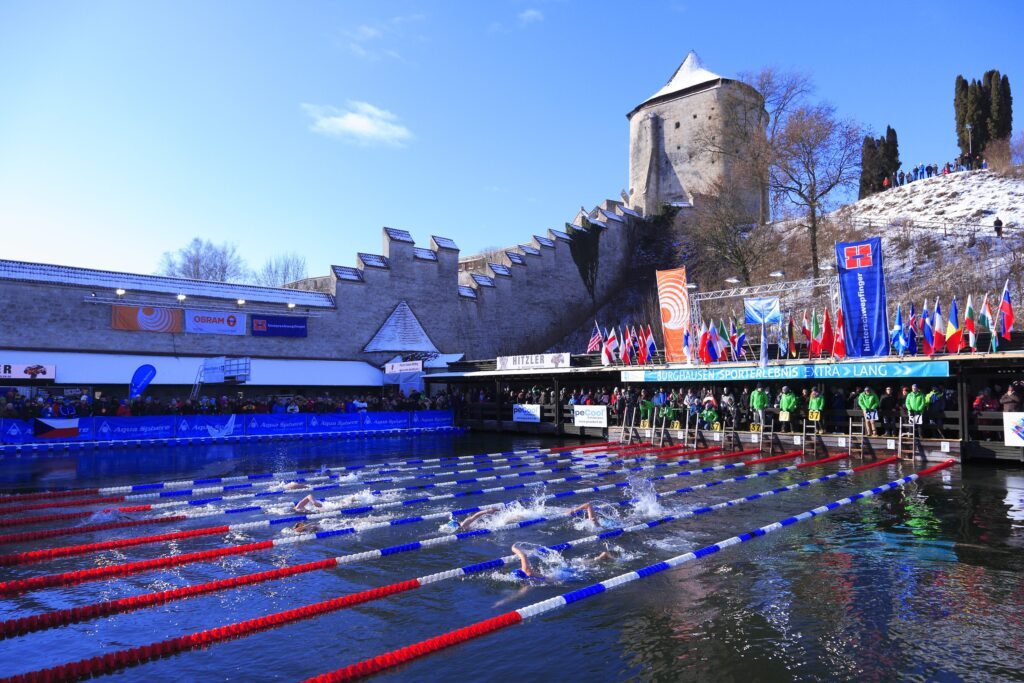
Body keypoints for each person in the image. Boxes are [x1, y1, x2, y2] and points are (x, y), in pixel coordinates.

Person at [510, 542, 614, 582]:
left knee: (583, 568)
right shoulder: (528, 572)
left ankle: (600, 558)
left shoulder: (530, 580)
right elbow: (523, 555)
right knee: (581, 566)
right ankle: (600, 557)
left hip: (561, 576)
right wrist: (514, 548)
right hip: (561, 573)